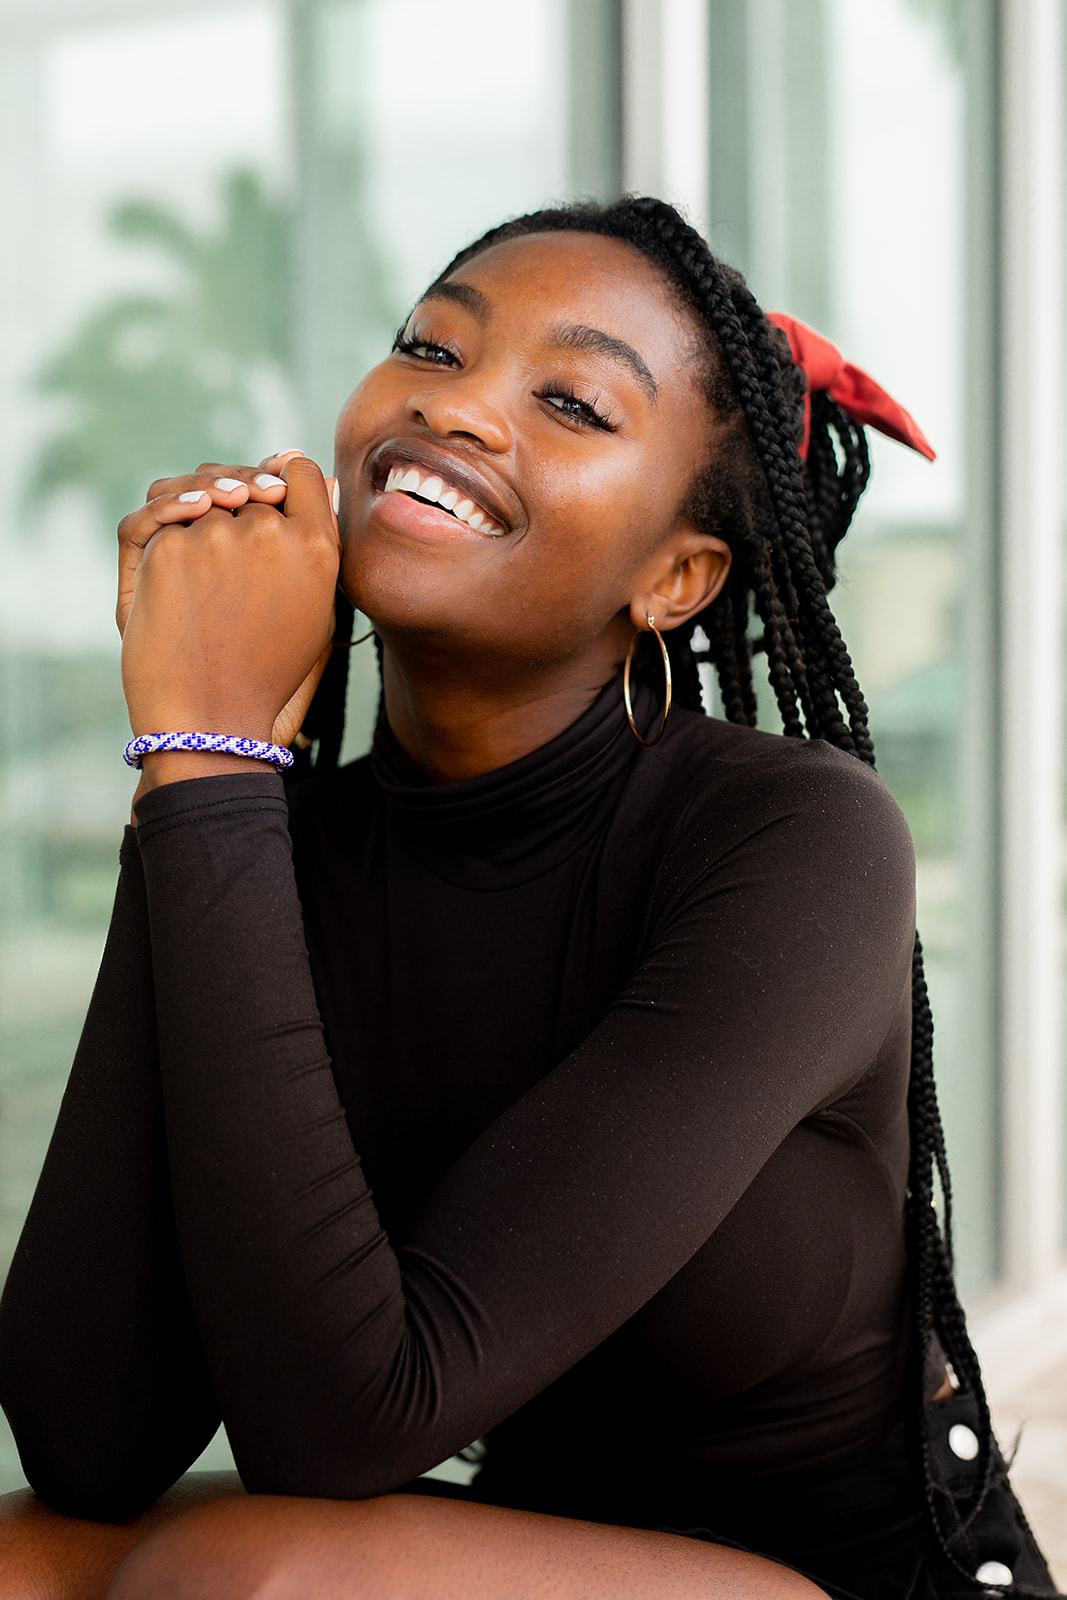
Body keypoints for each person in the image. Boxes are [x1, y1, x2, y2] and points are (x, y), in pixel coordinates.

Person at [0, 194, 1060, 1600]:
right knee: (23, 1554)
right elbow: (88, 1433)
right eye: (432, 353)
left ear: (675, 580)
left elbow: (340, 1427)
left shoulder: (794, 840)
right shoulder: (264, 829)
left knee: (255, 1574)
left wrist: (206, 759)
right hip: (522, 1550)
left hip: (836, 1580)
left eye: (570, 400)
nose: (463, 411)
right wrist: (200, 775)